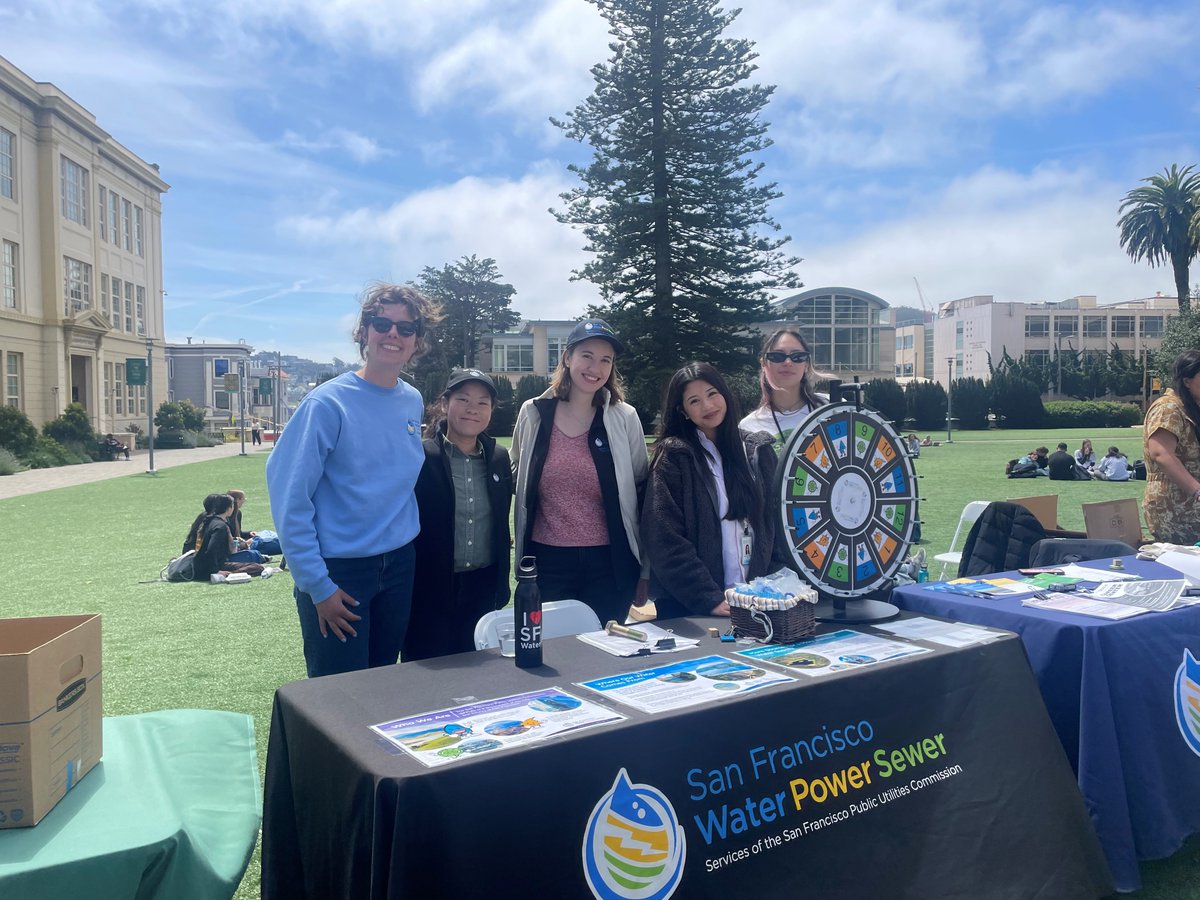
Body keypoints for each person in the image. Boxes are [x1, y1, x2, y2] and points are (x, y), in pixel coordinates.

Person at [266, 283, 440, 678]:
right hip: (340, 572)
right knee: (339, 695)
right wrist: (318, 585)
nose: (393, 334)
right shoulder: (327, 404)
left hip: (399, 566)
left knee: (382, 686)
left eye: (406, 328)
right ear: (363, 332)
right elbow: (289, 496)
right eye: (382, 323)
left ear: (417, 341)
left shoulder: (411, 400)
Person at [511, 319, 647, 627]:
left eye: (605, 360)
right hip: (547, 562)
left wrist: (646, 569)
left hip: (610, 564)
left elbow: (642, 491)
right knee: (552, 648)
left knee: (605, 649)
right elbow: (517, 474)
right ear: (567, 358)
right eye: (587, 355)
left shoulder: (625, 417)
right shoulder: (533, 412)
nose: (595, 367)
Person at [642, 362, 790, 618]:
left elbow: (778, 527)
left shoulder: (757, 452)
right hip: (692, 608)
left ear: (725, 394)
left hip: (756, 602)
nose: (708, 406)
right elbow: (663, 536)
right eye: (695, 401)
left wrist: (771, 588)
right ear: (683, 411)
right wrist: (707, 598)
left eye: (712, 394)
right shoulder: (675, 457)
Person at [406, 369, 512, 661]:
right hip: (430, 589)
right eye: (463, 399)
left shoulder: (499, 458)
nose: (472, 409)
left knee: (482, 674)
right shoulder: (421, 456)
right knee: (428, 672)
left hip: (483, 588)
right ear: (445, 404)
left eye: (482, 402)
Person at [1143, 350, 1200, 544]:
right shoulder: (1168, 408)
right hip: (1174, 508)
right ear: (1187, 381)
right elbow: (1160, 452)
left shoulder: (1191, 409)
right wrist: (1196, 490)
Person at [739, 328, 826, 451]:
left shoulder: (832, 407)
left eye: (798, 356)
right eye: (777, 356)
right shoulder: (748, 427)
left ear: (806, 364)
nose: (788, 362)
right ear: (763, 363)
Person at [191, 493, 264, 581]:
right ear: (229, 508)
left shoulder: (210, 521)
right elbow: (211, 549)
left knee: (253, 564)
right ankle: (226, 575)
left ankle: (225, 573)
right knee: (257, 567)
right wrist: (216, 571)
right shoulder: (220, 526)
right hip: (208, 568)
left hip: (200, 565)